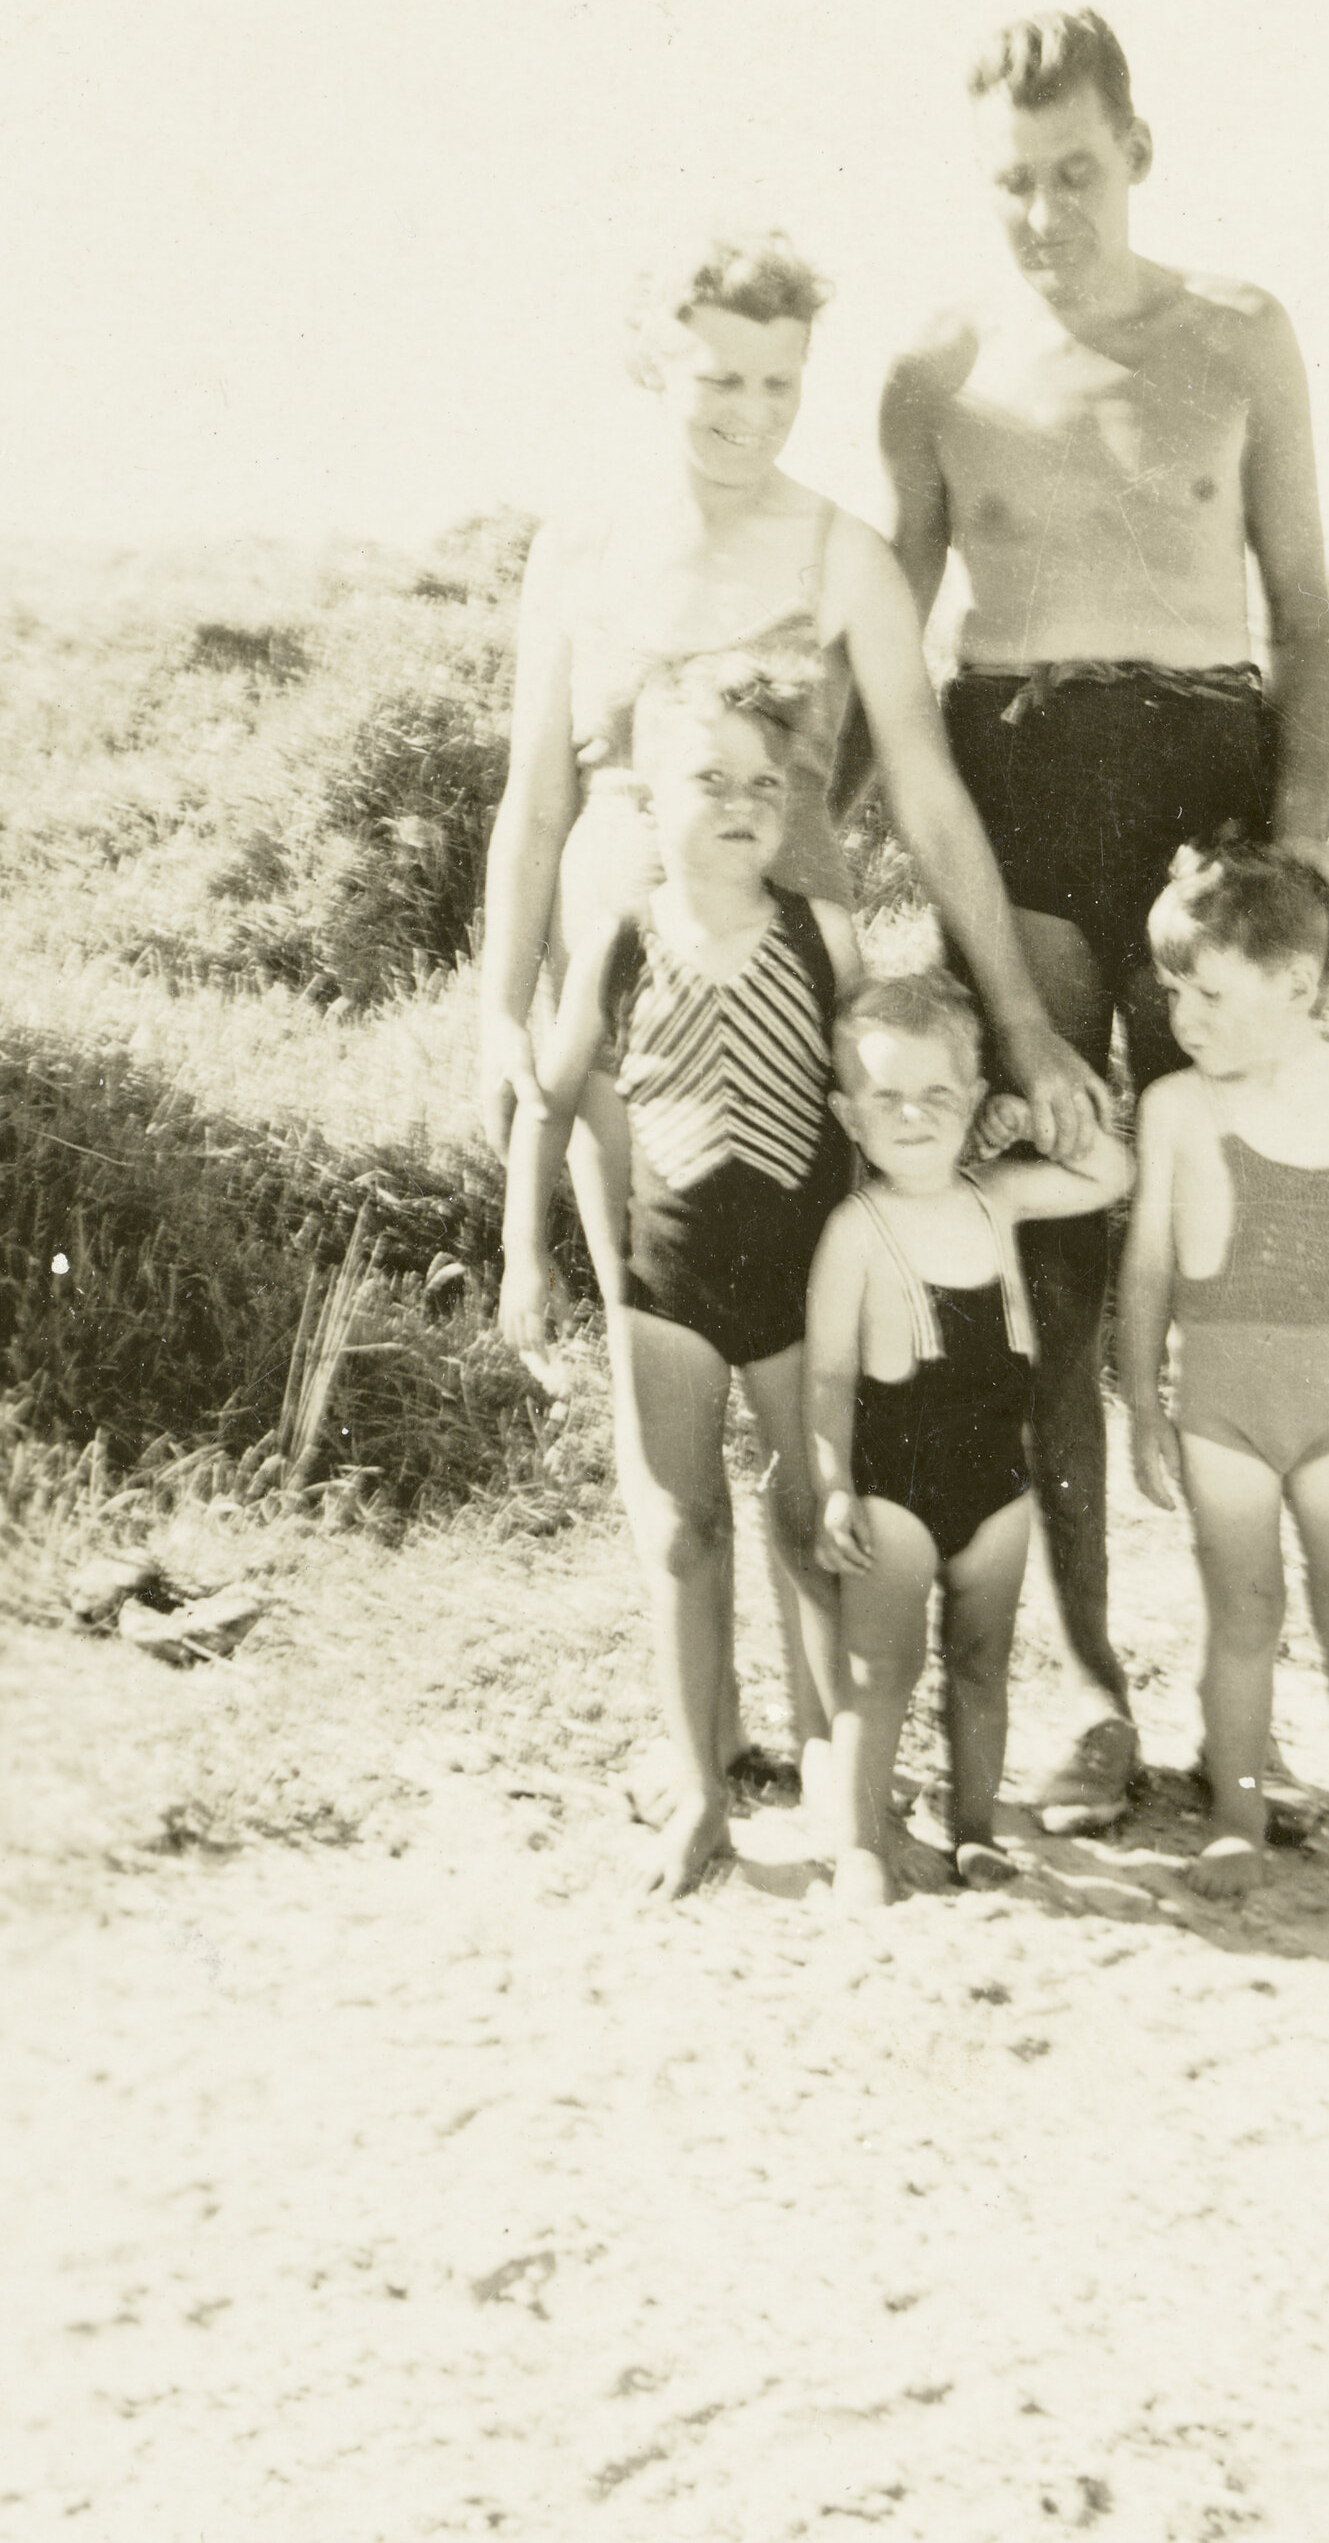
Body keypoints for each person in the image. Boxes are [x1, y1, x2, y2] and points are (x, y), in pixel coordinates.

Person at [481, 229, 1111, 1789]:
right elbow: (532, 797)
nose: (749, 409)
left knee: (812, 1413)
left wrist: (1023, 1019)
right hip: (624, 1032)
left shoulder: (838, 552)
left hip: (786, 1015)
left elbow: (932, 792)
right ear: (655, 362)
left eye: (778, 380)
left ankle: (839, 1751)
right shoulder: (580, 545)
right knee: (666, 1427)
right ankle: (707, 1755)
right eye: (718, 375)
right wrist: (500, 1012)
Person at [856, 8, 1329, 1831]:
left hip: (1210, 792)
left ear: (1139, 148)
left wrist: (1295, 863)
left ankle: (1250, 1698)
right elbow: (887, 662)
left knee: (1244, 1238)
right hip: (1025, 793)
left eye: (1076, 172)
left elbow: (1304, 607)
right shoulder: (937, 369)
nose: (1047, 213)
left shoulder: (1239, 336)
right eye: (1013, 183)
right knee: (1046, 1267)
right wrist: (811, 862)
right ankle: (1082, 1688)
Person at [501, 655, 860, 1897]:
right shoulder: (618, 937)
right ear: (645, 793)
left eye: (766, 780)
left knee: (816, 1522)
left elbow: (875, 1097)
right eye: (708, 777)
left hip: (804, 1282)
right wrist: (522, 1259)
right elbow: (546, 1109)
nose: (742, 800)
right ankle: (702, 1794)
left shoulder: (825, 936)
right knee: (682, 1532)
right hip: (665, 1289)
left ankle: (836, 1780)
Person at [1117, 844, 1329, 1894]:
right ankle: (1234, 1813)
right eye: (1172, 989)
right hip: (1220, 1413)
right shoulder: (1176, 1106)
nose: (1183, 1015)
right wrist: (1140, 1401)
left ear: (1295, 984)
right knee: (1241, 1616)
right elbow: (1142, 1267)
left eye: (1208, 991)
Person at [806, 971, 1131, 1911]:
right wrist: (833, 1484)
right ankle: (862, 1843)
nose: (913, 1117)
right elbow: (828, 1377)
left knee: (982, 1662)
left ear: (972, 1107)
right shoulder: (855, 1229)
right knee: (884, 1669)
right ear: (849, 1114)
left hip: (998, 1480)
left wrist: (1026, 1125)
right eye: (887, 1098)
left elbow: (1112, 1173)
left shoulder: (997, 1197)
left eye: (938, 1096)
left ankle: (976, 1830)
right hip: (894, 1486)